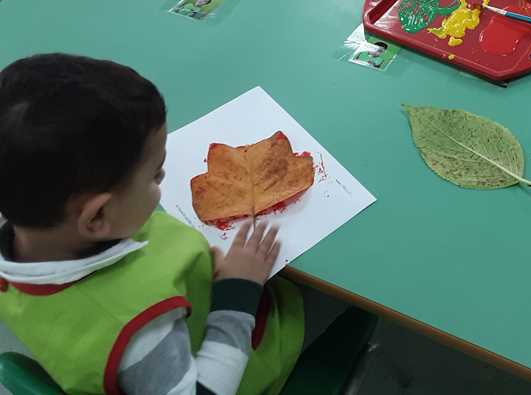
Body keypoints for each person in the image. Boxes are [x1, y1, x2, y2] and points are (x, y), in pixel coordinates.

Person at [0, 53, 305, 394]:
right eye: (155, 175)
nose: (162, 181)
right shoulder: (138, 332)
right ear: (97, 216)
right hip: (243, 355)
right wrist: (238, 294)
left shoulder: (35, 230)